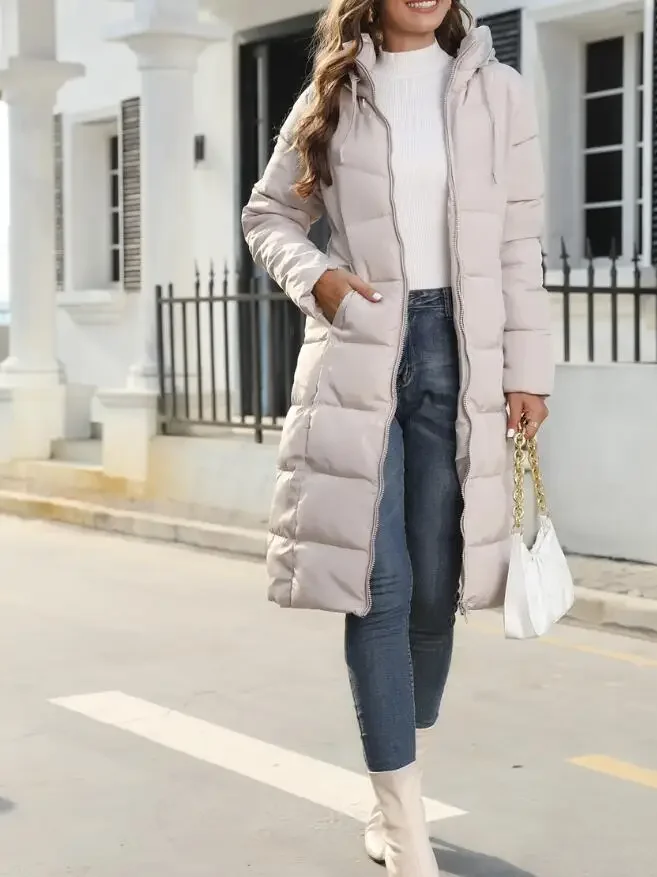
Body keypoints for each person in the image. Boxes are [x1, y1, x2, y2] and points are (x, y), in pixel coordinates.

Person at [242, 0, 553, 874]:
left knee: (433, 593)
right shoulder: (333, 92)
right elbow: (268, 216)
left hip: (463, 354)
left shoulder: (500, 92)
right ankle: (405, 829)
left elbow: (519, 241)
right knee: (377, 587)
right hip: (359, 349)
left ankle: (397, 752)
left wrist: (529, 370)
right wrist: (320, 279)